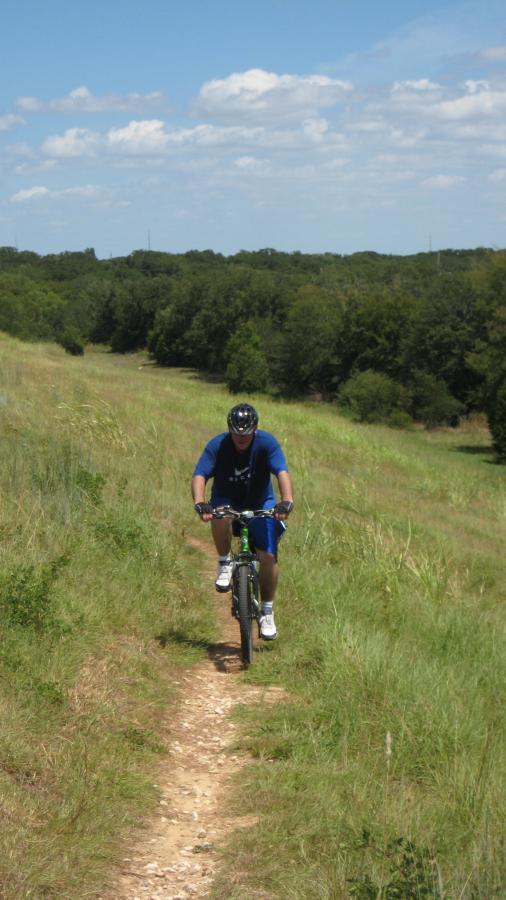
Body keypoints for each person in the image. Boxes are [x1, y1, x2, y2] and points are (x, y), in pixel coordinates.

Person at [191, 403, 293, 641]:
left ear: (255, 430)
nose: (240, 439)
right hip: (227, 499)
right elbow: (199, 475)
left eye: (245, 434)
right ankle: (224, 562)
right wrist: (199, 502)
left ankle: (267, 611)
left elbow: (282, 473)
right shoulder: (218, 445)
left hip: (261, 502)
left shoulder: (267, 443)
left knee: (268, 556)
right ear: (229, 430)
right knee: (219, 513)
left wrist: (286, 501)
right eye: (236, 434)